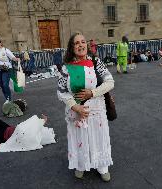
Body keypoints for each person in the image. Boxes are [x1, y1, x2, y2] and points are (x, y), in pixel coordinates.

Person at [57, 33, 114, 182]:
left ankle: (102, 166)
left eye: (83, 42)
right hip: (76, 112)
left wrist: (92, 93)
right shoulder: (66, 67)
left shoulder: (95, 61)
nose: (81, 45)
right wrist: (75, 107)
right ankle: (80, 164)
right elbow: (61, 91)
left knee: (98, 137)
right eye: (76, 43)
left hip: (96, 110)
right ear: (71, 47)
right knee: (79, 138)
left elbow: (110, 82)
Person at [0, 37, 19, 102]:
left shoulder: (5, 50)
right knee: (2, 85)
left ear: (0, 43)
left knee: (5, 84)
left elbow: (12, 57)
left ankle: (9, 98)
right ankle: (7, 98)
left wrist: (17, 59)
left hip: (6, 69)